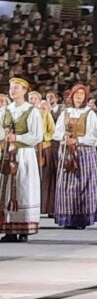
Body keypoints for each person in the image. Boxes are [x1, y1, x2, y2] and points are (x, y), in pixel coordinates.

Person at [52, 83, 97, 229]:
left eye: (82, 94)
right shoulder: (65, 113)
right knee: (67, 185)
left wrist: (79, 140)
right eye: (76, 94)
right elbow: (56, 133)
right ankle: (68, 217)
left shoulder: (90, 113)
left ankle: (82, 218)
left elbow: (95, 137)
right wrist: (65, 137)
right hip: (67, 152)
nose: (79, 97)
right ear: (72, 96)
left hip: (84, 153)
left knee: (84, 185)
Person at [0, 77, 44, 242]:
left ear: (25, 90)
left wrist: (16, 137)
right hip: (7, 154)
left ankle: (24, 227)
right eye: (11, 88)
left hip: (24, 154)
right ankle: (9, 228)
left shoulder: (32, 111)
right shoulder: (5, 110)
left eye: (17, 88)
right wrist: (4, 139)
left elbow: (37, 136)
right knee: (6, 191)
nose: (13, 90)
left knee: (24, 188)